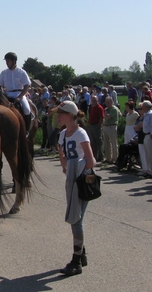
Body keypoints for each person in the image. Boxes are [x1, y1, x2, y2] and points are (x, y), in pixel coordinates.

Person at [56, 100, 95, 276]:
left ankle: (76, 261)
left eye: (61, 114)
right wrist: (64, 162)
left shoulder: (81, 134)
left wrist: (76, 168)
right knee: (76, 217)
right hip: (71, 180)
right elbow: (61, 151)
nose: (58, 116)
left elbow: (91, 160)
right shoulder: (63, 134)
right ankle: (83, 254)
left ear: (70, 116)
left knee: (76, 220)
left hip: (80, 180)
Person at [0, 52, 32, 131]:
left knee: (27, 109)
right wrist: (1, 94)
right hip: (7, 94)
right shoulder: (4, 73)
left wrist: (20, 97)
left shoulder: (21, 72)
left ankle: (27, 130)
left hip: (19, 94)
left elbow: (26, 86)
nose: (6, 63)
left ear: (14, 61)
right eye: (6, 61)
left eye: (8, 61)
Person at [139, 100, 152, 179]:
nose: (141, 108)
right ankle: (149, 170)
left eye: (142, 106)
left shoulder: (151, 114)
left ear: (146, 107)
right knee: (147, 154)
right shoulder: (146, 114)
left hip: (150, 135)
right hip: (146, 135)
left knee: (151, 154)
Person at [102, 96, 120, 164]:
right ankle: (108, 158)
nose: (107, 104)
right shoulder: (106, 109)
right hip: (106, 126)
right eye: (106, 102)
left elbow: (107, 117)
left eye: (108, 102)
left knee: (113, 143)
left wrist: (106, 111)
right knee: (106, 143)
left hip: (112, 126)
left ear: (112, 102)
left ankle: (115, 158)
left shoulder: (114, 109)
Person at [86, 95, 104, 162]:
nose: (93, 101)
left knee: (98, 141)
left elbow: (101, 118)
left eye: (94, 100)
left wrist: (98, 126)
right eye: (92, 100)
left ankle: (100, 156)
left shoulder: (99, 108)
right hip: (91, 125)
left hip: (96, 125)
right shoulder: (92, 107)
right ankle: (94, 156)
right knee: (92, 142)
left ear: (97, 100)